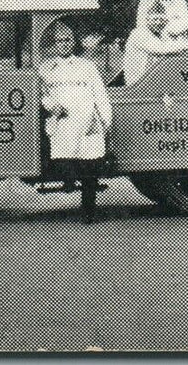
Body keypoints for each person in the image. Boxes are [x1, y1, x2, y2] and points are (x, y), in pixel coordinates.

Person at [37, 20, 111, 223]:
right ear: (55, 44)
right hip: (63, 122)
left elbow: (100, 95)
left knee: (90, 166)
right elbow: (42, 94)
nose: (64, 44)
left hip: (87, 121)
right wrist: (52, 106)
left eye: (68, 40)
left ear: (73, 42)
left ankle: (88, 211)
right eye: (60, 41)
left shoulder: (87, 66)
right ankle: (69, 182)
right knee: (63, 161)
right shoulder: (46, 68)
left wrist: (104, 121)